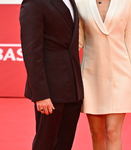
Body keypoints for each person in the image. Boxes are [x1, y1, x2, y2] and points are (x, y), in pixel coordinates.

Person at [76, 0, 131, 149]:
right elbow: (78, 41)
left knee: (113, 131)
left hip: (120, 74)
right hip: (91, 76)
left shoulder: (127, 2)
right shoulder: (80, 2)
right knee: (96, 133)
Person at [19, 0, 84, 149]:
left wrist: (77, 88)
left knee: (64, 144)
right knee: (45, 144)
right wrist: (41, 94)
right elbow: (31, 51)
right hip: (49, 90)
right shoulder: (34, 2)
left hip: (72, 88)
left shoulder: (71, 1)